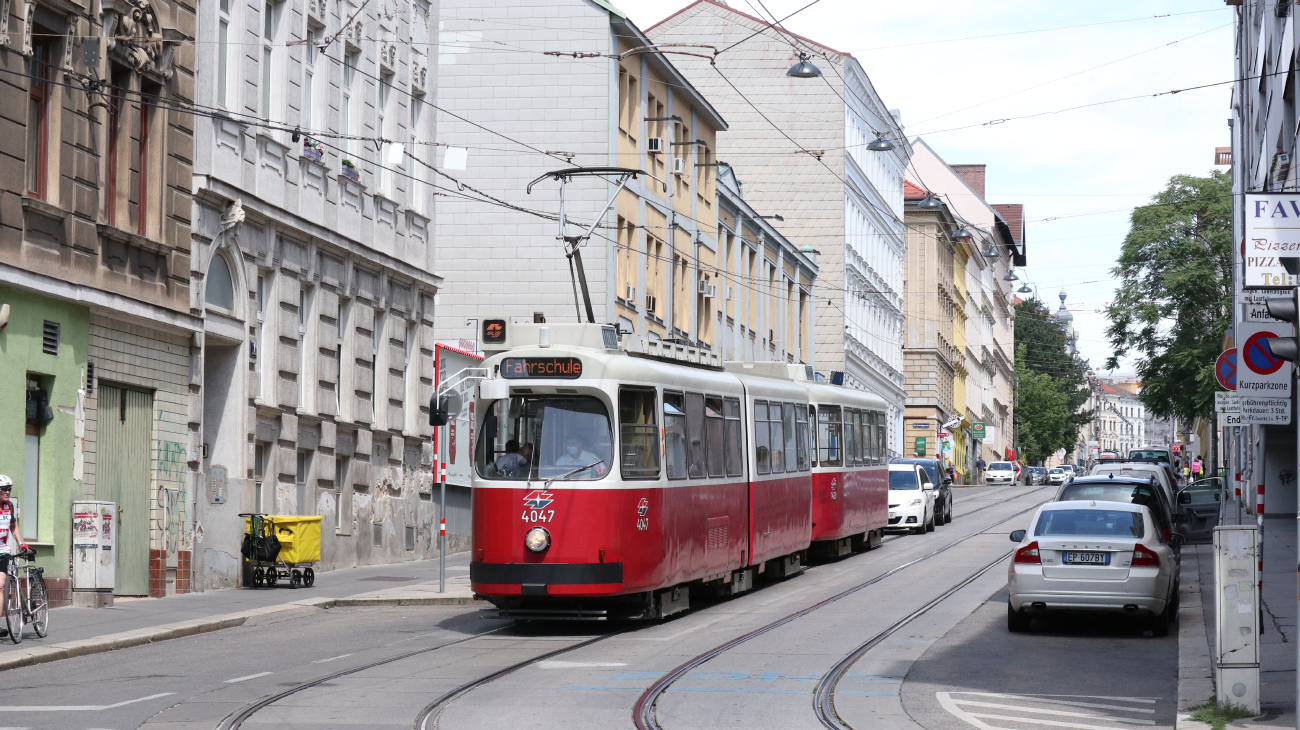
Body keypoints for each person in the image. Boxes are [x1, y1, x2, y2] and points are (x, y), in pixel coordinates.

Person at [0, 476, 28, 637]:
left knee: (1, 585)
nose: (8, 492)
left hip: (3, 552)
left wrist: (21, 543)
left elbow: (13, 526)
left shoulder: (9, 506)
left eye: (9, 488)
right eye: (4, 489)